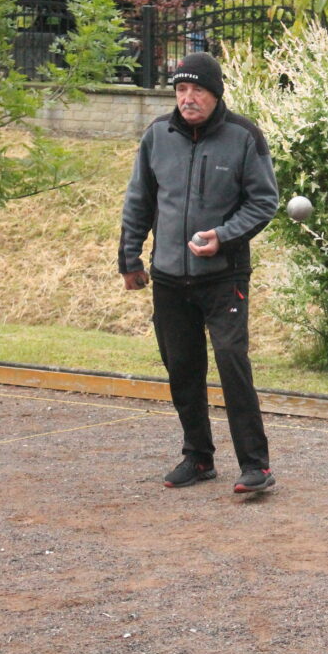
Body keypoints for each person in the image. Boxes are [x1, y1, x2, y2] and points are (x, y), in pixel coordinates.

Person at [118, 52, 279, 494]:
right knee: (182, 368)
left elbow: (264, 202)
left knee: (231, 362)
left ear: (216, 93)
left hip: (224, 275)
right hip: (169, 276)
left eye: (198, 90)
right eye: (181, 89)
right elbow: (138, 201)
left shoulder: (244, 136)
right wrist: (130, 260)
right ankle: (198, 457)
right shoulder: (157, 136)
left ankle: (256, 466)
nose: (188, 98)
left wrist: (223, 236)